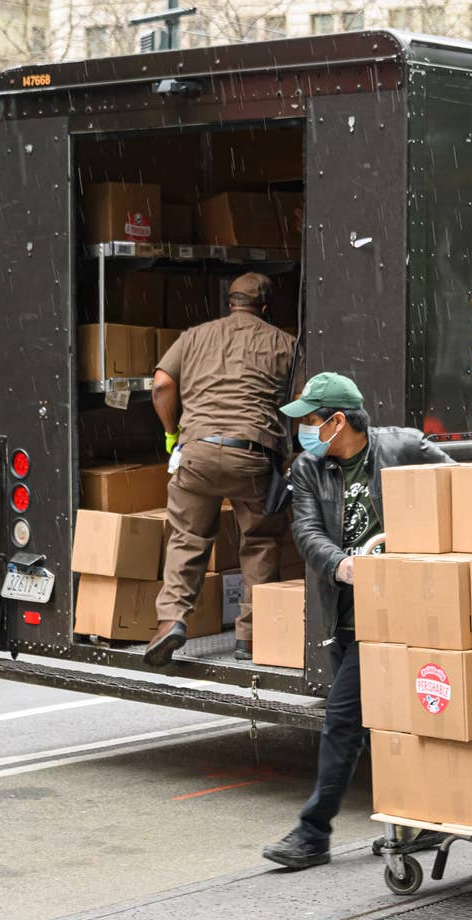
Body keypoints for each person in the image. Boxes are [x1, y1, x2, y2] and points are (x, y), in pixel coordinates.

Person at [262, 372, 453, 869]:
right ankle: (422, 822)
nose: (303, 431)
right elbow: (305, 530)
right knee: (378, 726)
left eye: (309, 421)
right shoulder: (309, 468)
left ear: (338, 421)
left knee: (343, 722)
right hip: (344, 616)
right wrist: (341, 564)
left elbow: (461, 491)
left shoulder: (404, 449)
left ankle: (312, 833)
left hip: (396, 617)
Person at [144, 273, 293, 667]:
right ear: (265, 307)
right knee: (260, 541)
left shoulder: (194, 336)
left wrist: (172, 433)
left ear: (229, 302)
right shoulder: (284, 342)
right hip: (254, 453)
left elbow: (161, 385)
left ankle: (173, 620)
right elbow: (300, 400)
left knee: (187, 537)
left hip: (198, 451)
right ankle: (250, 636)